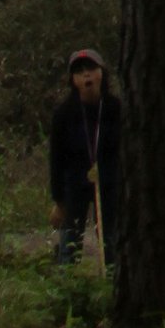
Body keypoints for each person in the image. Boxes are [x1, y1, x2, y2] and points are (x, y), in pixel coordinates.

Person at [48, 47, 120, 264]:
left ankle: (113, 283)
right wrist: (59, 201)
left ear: (102, 73)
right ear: (73, 80)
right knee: (70, 241)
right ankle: (66, 286)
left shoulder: (115, 109)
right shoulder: (64, 114)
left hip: (109, 185)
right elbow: (56, 160)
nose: (86, 75)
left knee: (111, 241)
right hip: (75, 185)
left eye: (91, 68)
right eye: (79, 71)